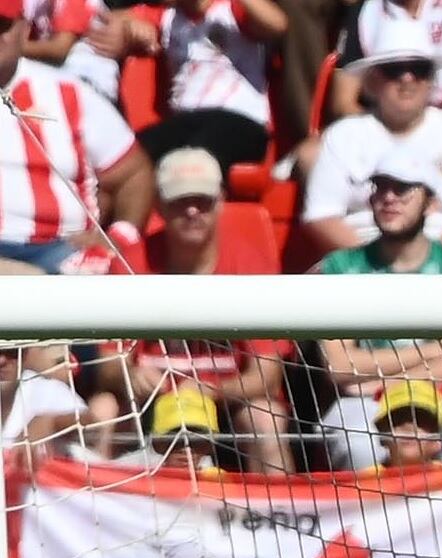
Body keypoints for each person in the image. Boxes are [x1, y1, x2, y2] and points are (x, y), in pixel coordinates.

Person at [94, 148, 294, 473]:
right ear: (159, 204)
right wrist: (128, 374)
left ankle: (277, 519)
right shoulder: (129, 262)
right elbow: (106, 365)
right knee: (101, 411)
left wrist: (215, 390)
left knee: (266, 418)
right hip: (151, 400)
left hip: (226, 401)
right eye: (179, 201)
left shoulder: (251, 265)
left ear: (221, 201)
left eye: (202, 200)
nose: (191, 211)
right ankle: (99, 517)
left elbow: (267, 375)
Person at [312, 166, 442, 468]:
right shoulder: (340, 266)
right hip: (366, 402)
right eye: (380, 188)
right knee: (355, 438)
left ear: (431, 201)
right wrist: (441, 350)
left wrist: (377, 379)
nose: (389, 198)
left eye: (403, 189)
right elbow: (339, 367)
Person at [300, 47, 442, 257]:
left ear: (432, 79)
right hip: (360, 262)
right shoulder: (342, 134)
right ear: (373, 80)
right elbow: (321, 215)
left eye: (419, 69)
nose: (407, 78)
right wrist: (373, 266)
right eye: (394, 69)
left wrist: (425, 263)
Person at [0, 9, 148, 270]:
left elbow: (134, 175)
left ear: (24, 30)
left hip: (59, 248)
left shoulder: (70, 92)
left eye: (2, 26)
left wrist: (118, 237)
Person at [123, 0, 285, 176]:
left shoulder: (233, 9)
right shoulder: (167, 15)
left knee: (195, 157)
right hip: (186, 122)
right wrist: (130, 26)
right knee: (128, 159)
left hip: (239, 122)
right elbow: (110, 20)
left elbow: (277, 25)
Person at [325, 0, 442, 120]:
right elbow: (343, 103)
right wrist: (381, 131)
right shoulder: (363, 12)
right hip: (374, 122)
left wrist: (425, 131)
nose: (407, 78)